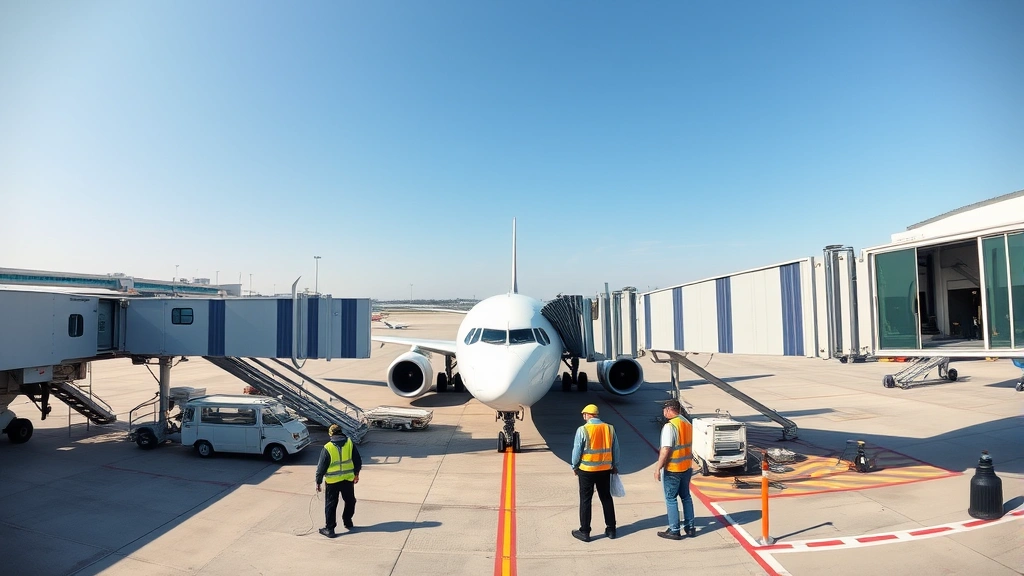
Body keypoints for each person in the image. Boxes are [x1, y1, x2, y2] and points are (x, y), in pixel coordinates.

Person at [570, 403, 619, 542]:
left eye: (584, 415)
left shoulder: (583, 430)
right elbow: (616, 449)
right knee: (606, 498)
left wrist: (574, 466)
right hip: (605, 469)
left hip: (587, 470)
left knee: (586, 500)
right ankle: (611, 529)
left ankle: (585, 532)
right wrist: (614, 465)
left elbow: (577, 450)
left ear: (588, 415)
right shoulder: (609, 428)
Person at [654, 399, 695, 539]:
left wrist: (658, 468)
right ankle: (690, 527)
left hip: (673, 468)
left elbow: (665, 449)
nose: (663, 412)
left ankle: (674, 529)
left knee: (671, 499)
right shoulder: (687, 423)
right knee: (686, 497)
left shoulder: (670, 427)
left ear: (669, 410)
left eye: (664, 409)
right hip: (687, 467)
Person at [315, 423, 362, 538]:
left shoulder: (327, 447)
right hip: (347, 480)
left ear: (331, 434)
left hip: (332, 482)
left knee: (331, 504)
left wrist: (318, 481)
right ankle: (347, 521)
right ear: (341, 432)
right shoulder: (350, 444)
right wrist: (356, 474)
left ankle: (330, 529)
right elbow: (358, 461)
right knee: (350, 501)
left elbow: (321, 467)